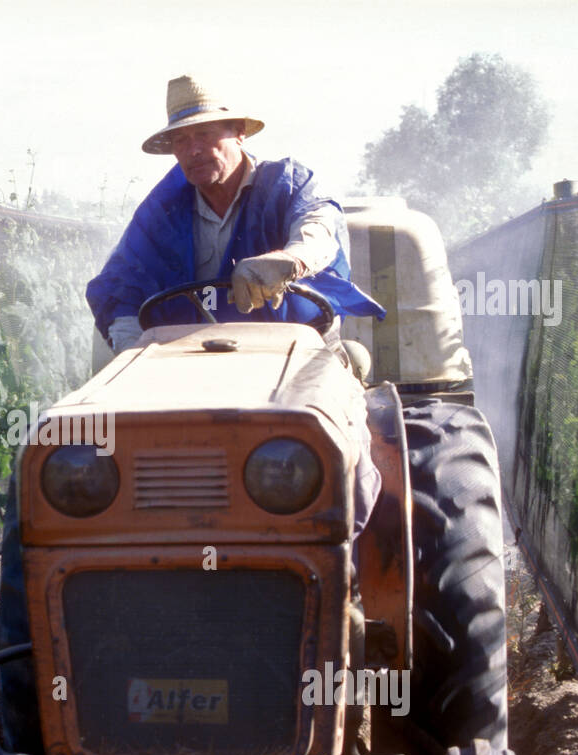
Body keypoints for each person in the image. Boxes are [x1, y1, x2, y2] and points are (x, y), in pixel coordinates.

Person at [88, 74, 382, 540]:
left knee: (337, 449)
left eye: (205, 134)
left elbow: (320, 224)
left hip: (295, 362)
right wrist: (131, 348)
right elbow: (120, 281)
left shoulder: (288, 182)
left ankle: (346, 564)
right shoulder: (163, 208)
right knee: (86, 460)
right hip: (188, 368)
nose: (193, 150)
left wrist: (287, 260)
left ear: (239, 133)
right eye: (181, 141)